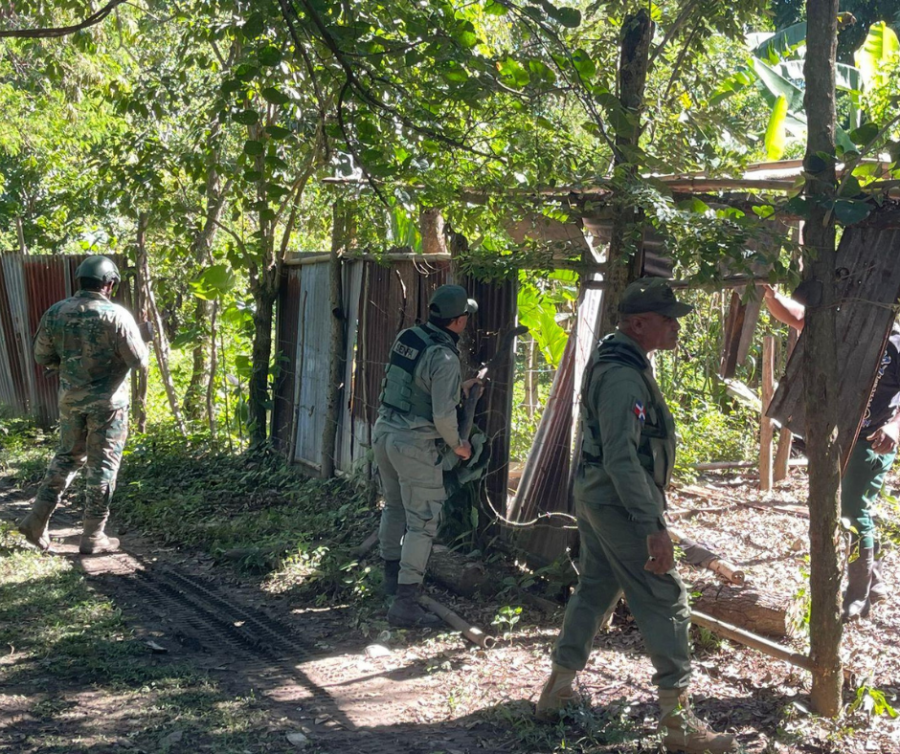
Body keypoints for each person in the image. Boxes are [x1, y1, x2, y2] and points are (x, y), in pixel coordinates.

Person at [536, 279, 736, 754]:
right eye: (668, 318)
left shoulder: (620, 360)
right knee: (667, 598)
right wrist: (652, 527)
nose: (676, 325)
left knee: (597, 588)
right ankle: (679, 725)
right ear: (637, 323)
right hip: (618, 503)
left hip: (601, 497)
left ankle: (557, 690)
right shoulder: (623, 375)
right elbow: (622, 459)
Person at [763, 284, 898, 620]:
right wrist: (770, 295)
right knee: (853, 506)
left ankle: (857, 596)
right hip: (837, 433)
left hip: (873, 438)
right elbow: (798, 317)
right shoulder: (845, 326)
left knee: (853, 510)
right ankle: (874, 580)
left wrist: (894, 429)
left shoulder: (897, 342)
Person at [17, 255, 148, 555]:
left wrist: (65, 365)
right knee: (103, 465)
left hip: (70, 402)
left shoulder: (56, 313)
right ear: (109, 284)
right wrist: (144, 337)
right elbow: (138, 361)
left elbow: (41, 356)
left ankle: (36, 521)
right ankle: (93, 536)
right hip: (108, 406)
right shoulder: (117, 315)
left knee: (66, 458)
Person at [374, 284, 478, 628]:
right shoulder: (446, 358)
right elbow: (443, 417)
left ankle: (391, 580)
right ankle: (405, 604)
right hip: (413, 445)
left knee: (394, 506)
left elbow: (414, 386)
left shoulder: (410, 336)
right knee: (422, 522)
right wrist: (459, 445)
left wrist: (457, 390)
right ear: (459, 321)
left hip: (384, 432)